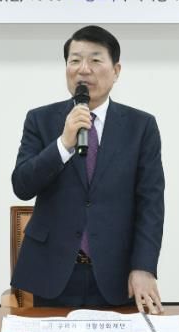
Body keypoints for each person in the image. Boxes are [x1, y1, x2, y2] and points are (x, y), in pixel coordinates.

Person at [11, 25, 165, 314]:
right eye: (75, 60)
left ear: (116, 70)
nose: (84, 69)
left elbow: (151, 203)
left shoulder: (141, 126)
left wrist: (143, 267)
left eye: (95, 60)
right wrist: (62, 144)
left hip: (117, 274)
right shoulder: (40, 120)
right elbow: (22, 185)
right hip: (51, 272)